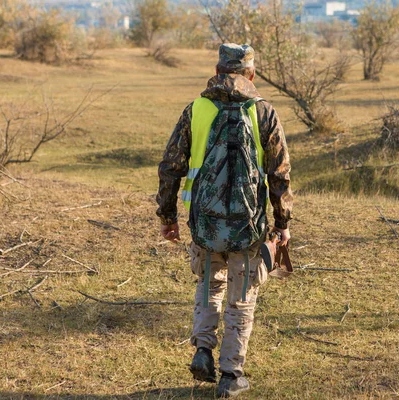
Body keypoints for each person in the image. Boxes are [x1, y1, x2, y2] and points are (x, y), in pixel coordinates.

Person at [156, 43, 293, 398]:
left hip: (204, 222)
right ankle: (231, 375)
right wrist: (283, 223)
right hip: (249, 226)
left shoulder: (196, 109)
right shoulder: (264, 112)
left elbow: (171, 167)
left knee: (207, 283)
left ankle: (203, 350)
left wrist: (168, 216)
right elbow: (279, 176)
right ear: (251, 74)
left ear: (218, 71)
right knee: (242, 296)